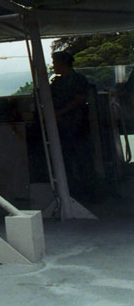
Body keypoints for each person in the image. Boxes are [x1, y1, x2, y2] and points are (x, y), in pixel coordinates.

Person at [50, 50, 94, 198]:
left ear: (62, 64)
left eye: (55, 63)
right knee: (67, 160)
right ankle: (72, 192)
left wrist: (60, 113)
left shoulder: (78, 80)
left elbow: (79, 99)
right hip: (64, 126)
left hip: (78, 124)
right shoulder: (56, 82)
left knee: (83, 159)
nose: (53, 66)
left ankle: (88, 192)